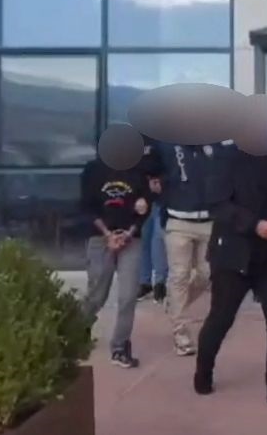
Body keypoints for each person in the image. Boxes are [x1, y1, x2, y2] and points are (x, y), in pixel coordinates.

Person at [194, 147, 267, 408]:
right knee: (221, 319)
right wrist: (254, 224)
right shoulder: (225, 158)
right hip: (233, 257)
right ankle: (203, 372)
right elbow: (218, 205)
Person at [148, 140, 239, 356]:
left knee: (206, 274)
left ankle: (174, 304)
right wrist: (157, 187)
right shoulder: (167, 145)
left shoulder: (218, 146)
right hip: (178, 221)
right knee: (179, 275)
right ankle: (180, 333)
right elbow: (149, 168)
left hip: (209, 221)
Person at [79, 153, 152, 369]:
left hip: (130, 238)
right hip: (100, 238)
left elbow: (145, 208)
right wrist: (107, 235)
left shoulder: (138, 170)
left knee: (128, 296)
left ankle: (120, 347)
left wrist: (129, 233)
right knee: (97, 294)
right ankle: (78, 328)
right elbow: (86, 207)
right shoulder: (93, 169)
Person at [137, 138, 168, 304]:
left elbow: (172, 165)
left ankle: (160, 283)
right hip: (142, 198)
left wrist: (160, 180)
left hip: (163, 198)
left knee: (158, 240)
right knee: (144, 239)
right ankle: (145, 282)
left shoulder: (165, 139)